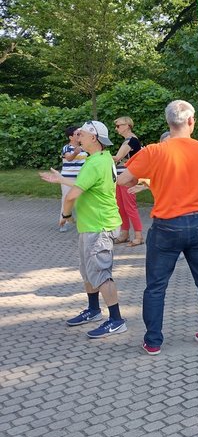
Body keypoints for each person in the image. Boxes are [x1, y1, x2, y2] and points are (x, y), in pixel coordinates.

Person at [118, 100, 198, 355]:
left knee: (156, 286)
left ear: (168, 123)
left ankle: (153, 341)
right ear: (191, 122)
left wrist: (146, 176)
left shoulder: (154, 151)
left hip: (166, 226)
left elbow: (123, 179)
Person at [39, 121, 126, 339]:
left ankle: (116, 320)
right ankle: (94, 310)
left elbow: (71, 196)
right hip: (90, 225)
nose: (78, 137)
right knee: (88, 270)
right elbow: (83, 185)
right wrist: (60, 178)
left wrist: (65, 215)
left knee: (101, 273)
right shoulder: (100, 158)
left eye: (83, 134)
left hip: (99, 225)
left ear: (94, 138)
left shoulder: (95, 163)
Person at [112, 116, 144, 246]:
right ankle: (124, 234)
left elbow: (118, 157)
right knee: (121, 207)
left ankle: (139, 236)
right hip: (121, 177)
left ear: (127, 125)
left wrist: (99, 155)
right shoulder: (127, 140)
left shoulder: (131, 140)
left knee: (130, 207)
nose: (116, 128)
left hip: (128, 178)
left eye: (118, 125)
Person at [59, 126, 87, 231]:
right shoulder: (66, 147)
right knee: (66, 199)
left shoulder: (85, 148)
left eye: (80, 133)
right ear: (71, 137)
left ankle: (83, 221)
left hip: (81, 178)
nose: (80, 135)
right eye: (77, 134)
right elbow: (69, 158)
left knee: (83, 200)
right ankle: (63, 222)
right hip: (67, 179)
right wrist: (75, 152)